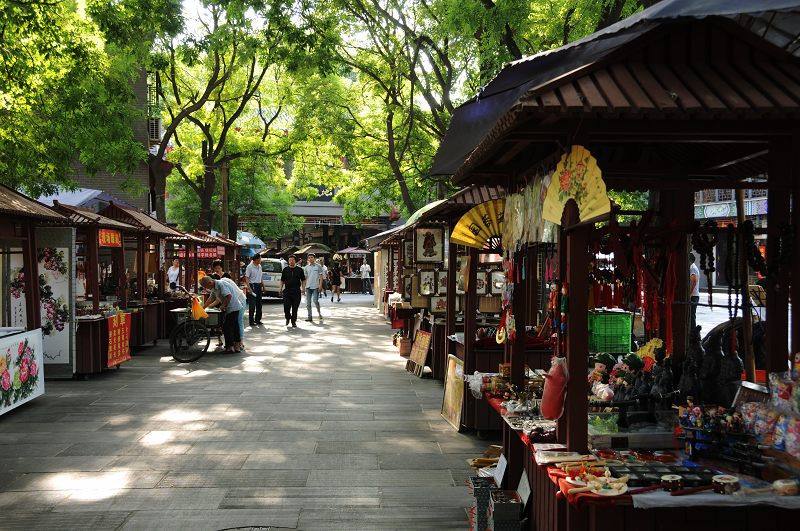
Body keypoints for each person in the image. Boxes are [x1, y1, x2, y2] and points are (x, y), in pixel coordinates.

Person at [200, 276, 243, 352]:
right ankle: (236, 345)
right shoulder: (214, 287)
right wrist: (203, 308)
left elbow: (229, 296)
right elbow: (211, 299)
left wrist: (223, 306)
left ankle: (230, 347)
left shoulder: (221, 284)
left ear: (210, 283)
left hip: (233, 307)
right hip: (231, 308)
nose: (206, 288)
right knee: (233, 326)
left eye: (206, 286)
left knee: (227, 327)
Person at [281, 255, 305, 327]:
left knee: (295, 308)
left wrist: (303, 288)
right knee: (286, 307)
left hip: (296, 291)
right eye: (290, 260)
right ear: (288, 261)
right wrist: (280, 288)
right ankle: (288, 318)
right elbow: (282, 280)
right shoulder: (285, 270)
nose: (291, 261)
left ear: (295, 261)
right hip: (287, 291)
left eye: (292, 260)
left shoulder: (300, 270)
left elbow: (303, 280)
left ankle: (293, 321)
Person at [303, 253, 325, 323]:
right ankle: (310, 317)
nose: (310, 259)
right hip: (308, 287)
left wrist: (320, 285)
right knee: (308, 303)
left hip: (316, 287)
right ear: (308, 259)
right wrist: (303, 288)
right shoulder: (306, 267)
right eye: (309, 258)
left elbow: (321, 277)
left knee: (315, 301)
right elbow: (305, 278)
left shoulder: (318, 266)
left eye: (312, 257)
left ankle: (319, 313)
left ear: (314, 258)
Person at [244, 255, 263, 326]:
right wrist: (249, 288)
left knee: (259, 304)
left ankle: (258, 319)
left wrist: (263, 286)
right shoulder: (249, 267)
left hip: (258, 285)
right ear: (256, 260)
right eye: (260, 259)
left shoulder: (260, 266)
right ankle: (251, 321)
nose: (261, 260)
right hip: (252, 285)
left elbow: (260, 277)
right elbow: (247, 278)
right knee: (252, 304)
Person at [689, 253, 700, 330]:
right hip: (694, 295)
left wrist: (689, 293)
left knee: (692, 315)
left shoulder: (692, 268)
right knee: (691, 315)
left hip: (693, 296)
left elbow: (694, 281)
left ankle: (693, 332)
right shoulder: (693, 267)